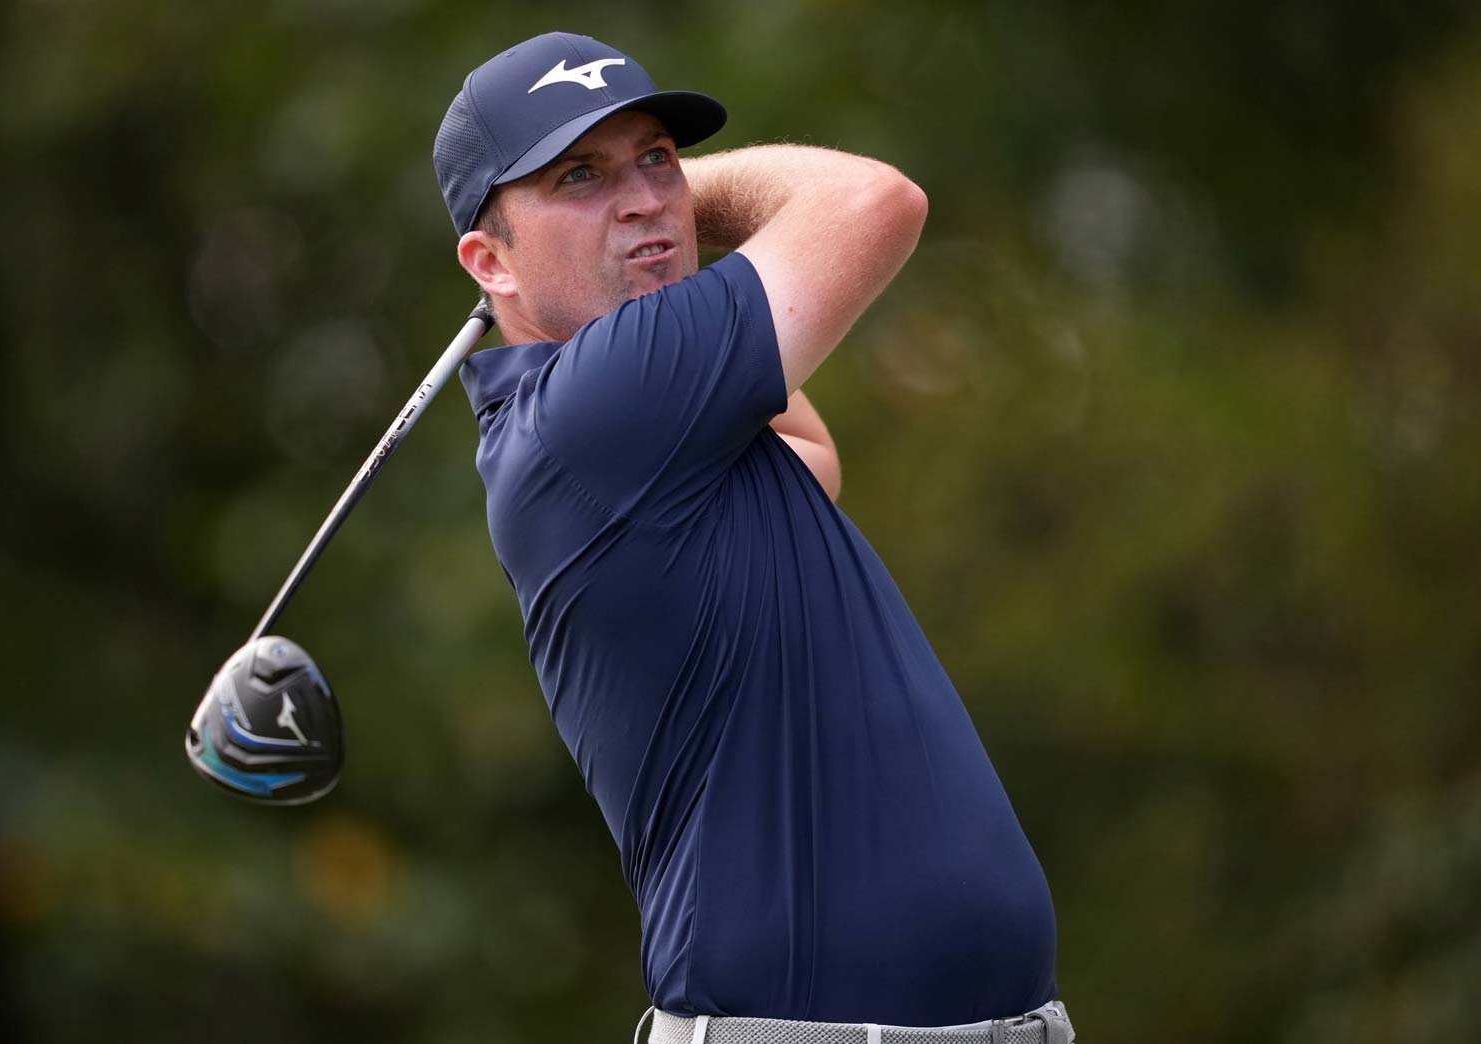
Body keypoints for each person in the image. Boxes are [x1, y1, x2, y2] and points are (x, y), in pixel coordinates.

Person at [433, 32, 1071, 1044]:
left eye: (656, 159)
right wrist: (685, 200)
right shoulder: (592, 412)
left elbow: (808, 449)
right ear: (487, 262)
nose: (644, 197)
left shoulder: (654, 434)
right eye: (579, 176)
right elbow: (873, 203)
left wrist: (644, 213)